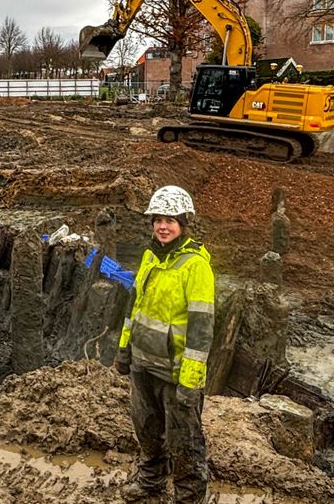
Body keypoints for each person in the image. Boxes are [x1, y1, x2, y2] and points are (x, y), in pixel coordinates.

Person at [116, 185, 216, 503]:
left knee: (184, 440)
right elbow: (135, 309)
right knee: (146, 430)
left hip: (175, 373)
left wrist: (190, 382)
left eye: (170, 220)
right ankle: (150, 482)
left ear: (183, 224)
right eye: (158, 219)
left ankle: (188, 497)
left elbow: (201, 330)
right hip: (143, 364)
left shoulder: (195, 266)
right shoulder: (149, 256)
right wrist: (123, 350)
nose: (163, 225)